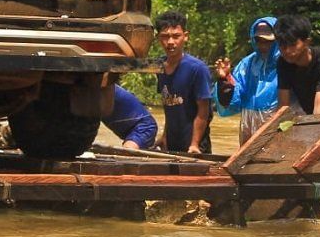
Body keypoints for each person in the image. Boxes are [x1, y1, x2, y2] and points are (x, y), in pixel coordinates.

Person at [213, 17, 281, 144]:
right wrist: (225, 80)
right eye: (259, 40)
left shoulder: (286, 63)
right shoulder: (247, 64)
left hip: (276, 122)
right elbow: (234, 102)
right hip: (249, 122)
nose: (262, 45)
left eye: (267, 41)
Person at [154, 10, 212, 154]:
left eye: (176, 36)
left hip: (195, 147)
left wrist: (194, 144)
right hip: (172, 144)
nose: (170, 42)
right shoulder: (159, 67)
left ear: (185, 37)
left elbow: (204, 112)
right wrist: (164, 137)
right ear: (158, 38)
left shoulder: (197, 69)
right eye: (165, 37)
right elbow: (170, 106)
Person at [103, 85, 158, 150]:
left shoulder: (102, 89)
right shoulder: (93, 91)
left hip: (143, 127)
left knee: (126, 153)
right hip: (128, 130)